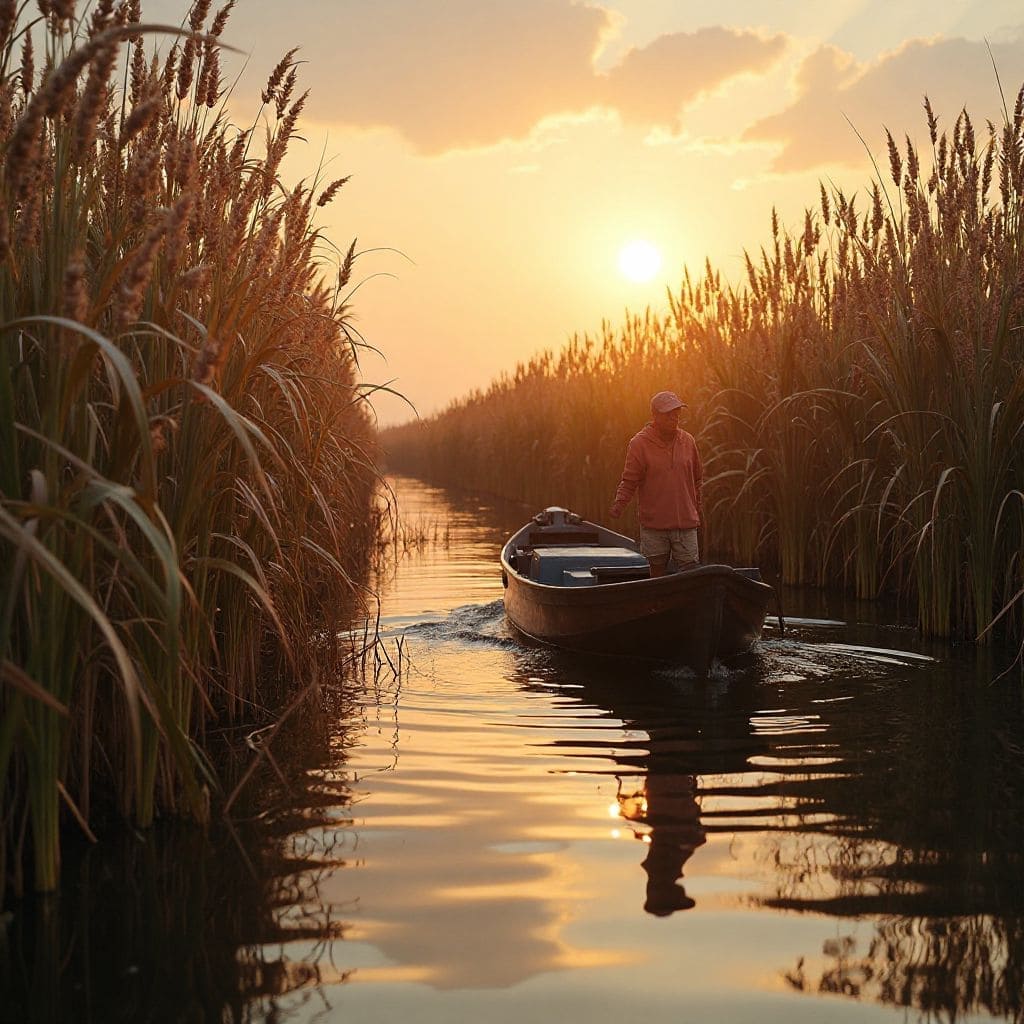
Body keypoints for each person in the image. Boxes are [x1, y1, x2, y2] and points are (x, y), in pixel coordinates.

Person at [609, 390, 703, 576]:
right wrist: (619, 504)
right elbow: (629, 481)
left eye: (677, 412)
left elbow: (697, 479)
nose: (674, 417)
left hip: (685, 524)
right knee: (657, 574)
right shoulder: (639, 444)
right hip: (654, 525)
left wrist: (698, 508)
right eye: (668, 413)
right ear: (655, 416)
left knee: (690, 573)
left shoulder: (688, 441)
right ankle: (657, 605)